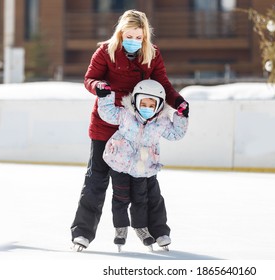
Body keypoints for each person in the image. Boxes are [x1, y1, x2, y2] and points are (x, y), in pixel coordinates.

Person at [70, 9, 189, 251]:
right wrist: (99, 87)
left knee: (146, 182)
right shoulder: (105, 51)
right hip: (106, 125)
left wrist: (178, 102)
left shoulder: (152, 54)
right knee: (96, 180)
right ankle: (82, 234)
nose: (133, 40)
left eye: (138, 36)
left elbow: (163, 85)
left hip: (137, 128)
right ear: (121, 33)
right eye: (129, 35)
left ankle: (158, 232)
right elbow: (89, 78)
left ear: (145, 36)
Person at [97, 79, 188, 251]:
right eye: (143, 103)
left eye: (151, 104)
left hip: (143, 168)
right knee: (120, 199)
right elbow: (108, 113)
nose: (147, 107)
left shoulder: (162, 123)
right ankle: (120, 229)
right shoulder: (126, 115)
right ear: (135, 101)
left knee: (141, 200)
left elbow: (176, 134)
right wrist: (105, 96)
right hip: (120, 164)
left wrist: (181, 116)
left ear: (159, 106)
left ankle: (141, 228)